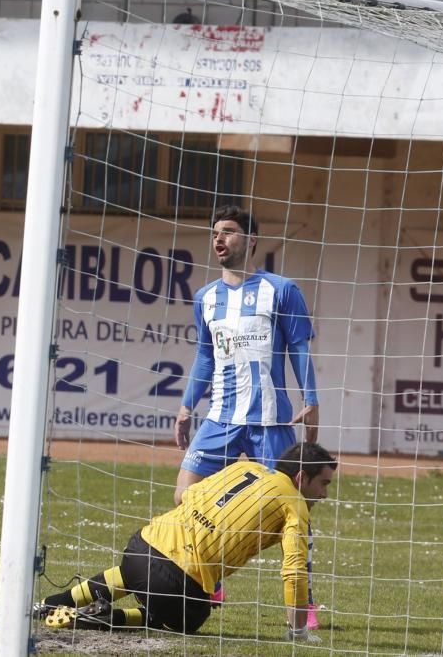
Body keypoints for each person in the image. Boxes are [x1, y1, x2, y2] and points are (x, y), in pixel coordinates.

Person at [172, 205, 321, 621]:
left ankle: (304, 604)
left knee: (291, 510)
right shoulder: (205, 298)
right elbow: (205, 356)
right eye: (215, 232)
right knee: (185, 496)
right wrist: (187, 407)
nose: (219, 239)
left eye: (229, 232)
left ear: (251, 240)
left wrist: (312, 398)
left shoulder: (282, 290)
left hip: (271, 421)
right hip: (220, 418)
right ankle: (208, 583)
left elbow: (299, 347)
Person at [35, 442, 335, 642]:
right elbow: (294, 572)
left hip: (142, 544)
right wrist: (297, 631)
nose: (324, 494)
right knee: (190, 617)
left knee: (133, 575)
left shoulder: (246, 468)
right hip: (176, 582)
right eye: (323, 484)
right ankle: (98, 617)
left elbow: (186, 494)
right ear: (300, 477)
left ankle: (51, 604)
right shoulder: (294, 505)